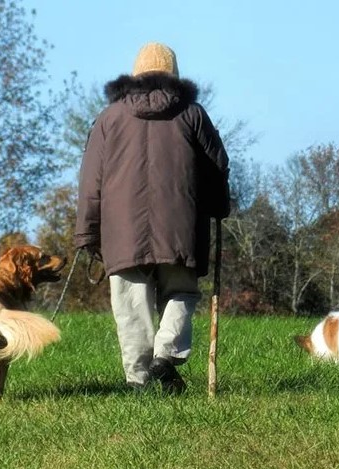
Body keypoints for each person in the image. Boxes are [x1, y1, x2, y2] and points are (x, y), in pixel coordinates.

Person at [74, 41, 231, 394]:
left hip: (122, 231)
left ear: (135, 74)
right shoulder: (192, 114)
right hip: (180, 226)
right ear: (174, 74)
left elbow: (90, 179)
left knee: (130, 305)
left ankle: (139, 381)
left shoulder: (109, 118)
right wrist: (219, 207)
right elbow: (216, 167)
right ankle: (166, 355)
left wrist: (87, 231)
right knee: (181, 292)